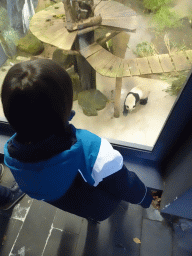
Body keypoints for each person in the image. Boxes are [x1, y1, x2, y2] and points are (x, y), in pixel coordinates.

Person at [1, 59, 154, 219]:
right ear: (66, 108)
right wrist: (145, 197)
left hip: (66, 202)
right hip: (101, 207)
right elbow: (124, 184)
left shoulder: (12, 155)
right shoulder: (92, 148)